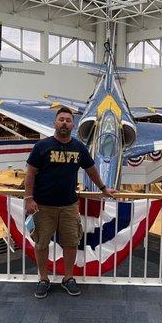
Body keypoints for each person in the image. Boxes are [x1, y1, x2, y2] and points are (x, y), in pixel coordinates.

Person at [24, 107, 117, 299]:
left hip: (69, 206)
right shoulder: (42, 147)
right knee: (41, 243)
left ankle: (68, 277)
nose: (64, 123)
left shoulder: (79, 147)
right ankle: (43, 278)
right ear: (55, 123)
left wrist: (103, 188)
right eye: (61, 120)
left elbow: (91, 169)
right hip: (43, 206)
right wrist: (29, 198)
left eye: (68, 120)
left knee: (71, 243)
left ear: (73, 125)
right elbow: (30, 173)